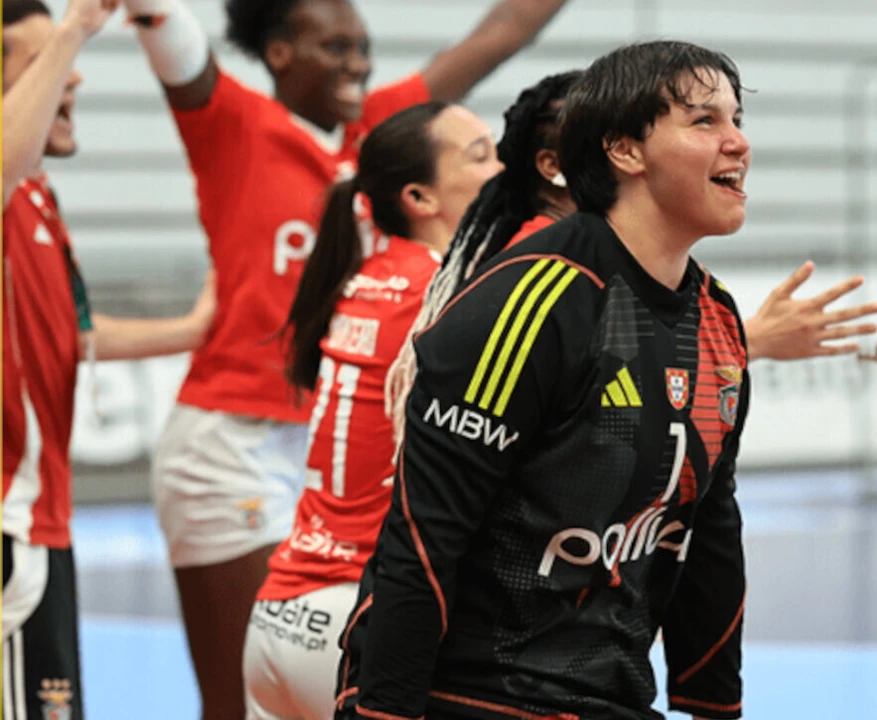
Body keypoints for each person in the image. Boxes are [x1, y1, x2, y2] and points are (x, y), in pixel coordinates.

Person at [118, 0, 572, 715]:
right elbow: (170, 35)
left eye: (363, 45)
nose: (357, 62)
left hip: (328, 436)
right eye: (334, 47)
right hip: (228, 445)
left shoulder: (392, 133)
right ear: (278, 54)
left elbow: (505, 30)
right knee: (241, 699)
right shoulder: (235, 123)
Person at [335, 40, 755, 720]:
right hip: (471, 695)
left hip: (606, 698)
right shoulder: (532, 300)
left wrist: (714, 705)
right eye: (704, 121)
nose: (737, 143)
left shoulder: (717, 320)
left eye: (737, 120)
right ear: (625, 151)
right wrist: (382, 715)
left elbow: (707, 528)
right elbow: (421, 542)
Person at [384, 69, 877, 438]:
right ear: (557, 164)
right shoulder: (538, 263)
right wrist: (750, 342)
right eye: (702, 121)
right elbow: (594, 380)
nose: (734, 142)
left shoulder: (621, 260)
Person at [242, 100, 502, 720]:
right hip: (357, 622)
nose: (505, 168)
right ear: (420, 197)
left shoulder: (367, 278)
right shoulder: (448, 289)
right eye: (481, 155)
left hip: (278, 618)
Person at [1, 1, 216, 717]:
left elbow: (75, 337)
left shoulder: (34, 194)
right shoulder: (8, 180)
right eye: (44, 64)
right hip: (13, 523)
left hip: (42, 525)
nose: (76, 78)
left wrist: (196, 327)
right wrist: (78, 23)